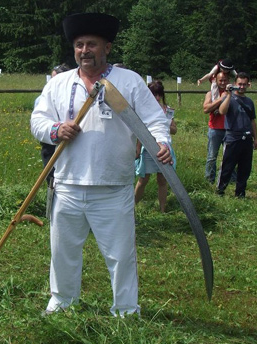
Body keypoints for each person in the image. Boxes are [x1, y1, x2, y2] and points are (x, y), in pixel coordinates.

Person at [30, 13, 172, 317]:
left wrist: (162, 143)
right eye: (79, 45)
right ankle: (62, 301)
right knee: (63, 252)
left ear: (106, 47)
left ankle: (125, 309)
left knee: (121, 255)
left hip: (113, 186)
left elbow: (154, 120)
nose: (84, 50)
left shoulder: (127, 81)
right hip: (67, 184)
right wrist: (56, 130)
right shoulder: (59, 84)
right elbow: (37, 120)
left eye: (91, 44)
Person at [134, 80, 177, 212]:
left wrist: (169, 124)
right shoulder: (143, 110)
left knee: (162, 180)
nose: (157, 98)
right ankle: (131, 207)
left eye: (159, 94)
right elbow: (140, 130)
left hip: (165, 146)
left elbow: (174, 130)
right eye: (154, 94)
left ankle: (163, 209)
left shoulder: (167, 110)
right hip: (148, 147)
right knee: (143, 179)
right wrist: (137, 148)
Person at [216, 72, 257, 198]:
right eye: (239, 84)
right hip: (232, 137)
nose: (241, 87)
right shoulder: (228, 98)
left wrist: (256, 138)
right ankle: (220, 190)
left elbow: (253, 121)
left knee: (245, 168)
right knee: (227, 166)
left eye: (244, 84)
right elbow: (222, 111)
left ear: (248, 85)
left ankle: (240, 193)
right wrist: (229, 95)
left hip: (246, 139)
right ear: (235, 84)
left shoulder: (249, 102)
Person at [36, 63, 71, 186]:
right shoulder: (43, 98)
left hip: (69, 145)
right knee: (51, 178)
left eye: (57, 78)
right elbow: (38, 122)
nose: (54, 81)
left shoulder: (73, 96)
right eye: (52, 78)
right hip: (50, 145)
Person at [202, 71, 236, 184]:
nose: (222, 82)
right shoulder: (211, 93)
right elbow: (206, 109)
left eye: (225, 80)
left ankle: (230, 179)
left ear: (229, 81)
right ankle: (209, 179)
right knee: (212, 156)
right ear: (216, 81)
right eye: (220, 80)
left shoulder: (233, 94)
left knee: (230, 156)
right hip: (215, 128)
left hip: (229, 128)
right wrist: (221, 99)